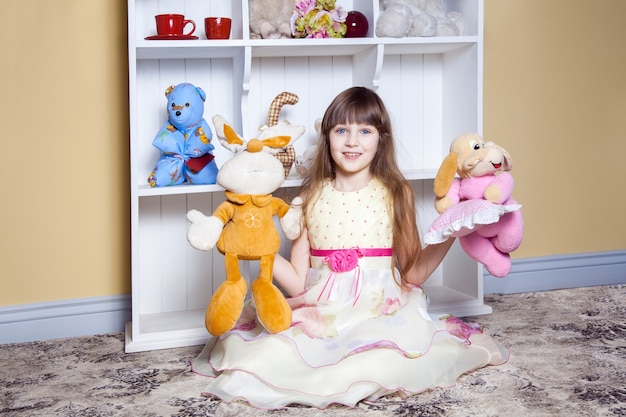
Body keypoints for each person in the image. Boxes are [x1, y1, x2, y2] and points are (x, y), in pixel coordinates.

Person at [191, 87, 508, 409]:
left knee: (384, 360)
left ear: (380, 139)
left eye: (365, 131)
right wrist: (257, 247)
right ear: (327, 137)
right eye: (342, 130)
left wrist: (451, 231)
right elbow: (300, 281)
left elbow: (413, 273)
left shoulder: (396, 193)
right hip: (321, 312)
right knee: (266, 353)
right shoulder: (309, 198)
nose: (352, 141)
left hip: (378, 312)